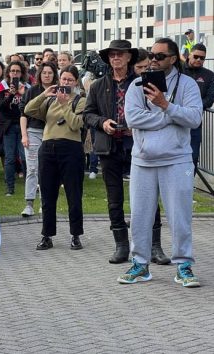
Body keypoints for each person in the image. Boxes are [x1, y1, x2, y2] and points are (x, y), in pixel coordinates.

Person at [118, 38, 202, 287]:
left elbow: (195, 118)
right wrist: (168, 115)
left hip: (177, 159)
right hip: (143, 160)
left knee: (180, 215)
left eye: (160, 56)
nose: (153, 60)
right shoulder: (136, 85)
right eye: (151, 55)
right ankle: (140, 265)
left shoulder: (187, 84)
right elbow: (132, 118)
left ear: (174, 59)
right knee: (141, 215)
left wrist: (165, 105)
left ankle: (184, 265)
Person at [83, 40, 169, 264]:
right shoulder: (98, 85)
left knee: (148, 196)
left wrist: (138, 125)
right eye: (112, 55)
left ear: (129, 57)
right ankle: (121, 246)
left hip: (139, 146)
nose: (115, 58)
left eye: (120, 54)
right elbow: (87, 114)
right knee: (114, 199)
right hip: (109, 147)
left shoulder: (143, 82)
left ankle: (154, 246)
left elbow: (158, 111)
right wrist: (102, 122)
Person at [24, 65, 86, 251]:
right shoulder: (51, 100)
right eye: (63, 79)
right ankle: (47, 235)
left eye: (70, 80)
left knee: (73, 193)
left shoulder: (80, 100)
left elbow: (76, 124)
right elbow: (28, 109)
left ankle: (75, 235)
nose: (65, 83)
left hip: (71, 148)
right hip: (48, 148)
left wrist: (65, 104)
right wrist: (45, 94)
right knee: (47, 194)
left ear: (76, 82)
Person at [18, 62, 58, 217]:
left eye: (50, 72)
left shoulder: (58, 91)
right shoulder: (32, 91)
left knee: (47, 170)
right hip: (33, 132)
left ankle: (45, 203)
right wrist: (24, 135)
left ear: (54, 74)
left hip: (51, 133)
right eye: (44, 73)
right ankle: (29, 204)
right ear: (39, 74)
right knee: (32, 169)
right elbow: (23, 114)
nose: (47, 75)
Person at [0, 61, 28, 196]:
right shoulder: (2, 88)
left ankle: (30, 185)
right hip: (9, 127)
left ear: (22, 73)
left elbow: (31, 107)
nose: (15, 73)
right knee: (9, 158)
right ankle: (10, 188)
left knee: (25, 157)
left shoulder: (27, 88)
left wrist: (23, 94)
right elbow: (1, 107)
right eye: (12, 71)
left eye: (18, 71)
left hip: (24, 126)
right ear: (8, 72)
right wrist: (10, 94)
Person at [183, 43, 214, 173]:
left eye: (202, 58)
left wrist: (193, 108)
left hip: (195, 124)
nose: (199, 60)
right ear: (189, 54)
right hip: (173, 122)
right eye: (196, 56)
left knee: (193, 157)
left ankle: (188, 184)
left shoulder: (209, 75)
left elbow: (210, 99)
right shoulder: (177, 70)